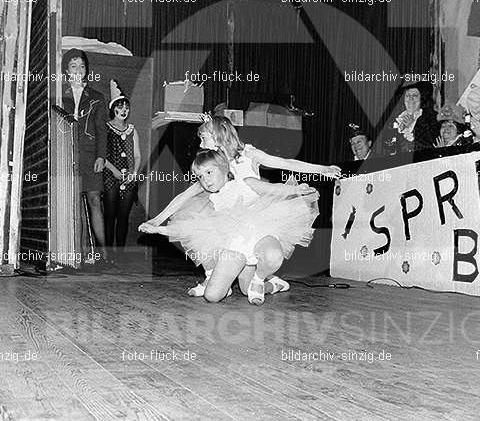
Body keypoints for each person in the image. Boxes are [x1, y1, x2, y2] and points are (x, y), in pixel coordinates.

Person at [140, 115, 341, 296]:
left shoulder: (248, 155)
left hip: (257, 220)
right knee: (203, 228)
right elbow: (184, 195)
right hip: (228, 222)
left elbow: (285, 163)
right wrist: (157, 219)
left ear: (218, 135)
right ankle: (213, 278)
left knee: (247, 287)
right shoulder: (213, 166)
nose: (201, 144)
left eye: (204, 138)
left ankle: (270, 282)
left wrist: (322, 169)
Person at [139, 149, 319, 305]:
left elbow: (273, 189)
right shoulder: (211, 199)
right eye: (200, 176)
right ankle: (268, 285)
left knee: (272, 257)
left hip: (259, 236)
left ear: (224, 168)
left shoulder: (245, 182)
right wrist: (158, 229)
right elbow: (194, 229)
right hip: (235, 247)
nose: (205, 180)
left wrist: (297, 190)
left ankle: (261, 279)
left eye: (209, 172)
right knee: (213, 296)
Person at [62, 48, 108, 261]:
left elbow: (101, 130)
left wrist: (101, 156)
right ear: (66, 70)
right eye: (73, 66)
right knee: (75, 204)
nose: (78, 70)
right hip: (68, 156)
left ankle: (103, 252)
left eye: (82, 66)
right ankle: (79, 252)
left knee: (94, 200)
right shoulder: (60, 96)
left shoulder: (97, 97)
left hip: (91, 157)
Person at [103, 80, 141, 255]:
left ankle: (119, 255)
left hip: (129, 178)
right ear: (113, 108)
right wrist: (114, 171)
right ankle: (108, 254)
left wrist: (134, 173)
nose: (124, 110)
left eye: (126, 107)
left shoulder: (133, 130)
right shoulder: (106, 128)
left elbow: (137, 154)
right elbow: (101, 155)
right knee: (110, 216)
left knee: (123, 217)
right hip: (111, 176)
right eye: (120, 107)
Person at [391, 81, 439, 152]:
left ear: (421, 98)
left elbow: (430, 146)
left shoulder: (431, 118)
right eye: (407, 95)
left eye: (415, 95)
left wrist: (409, 128)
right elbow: (386, 145)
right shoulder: (395, 119)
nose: (411, 98)